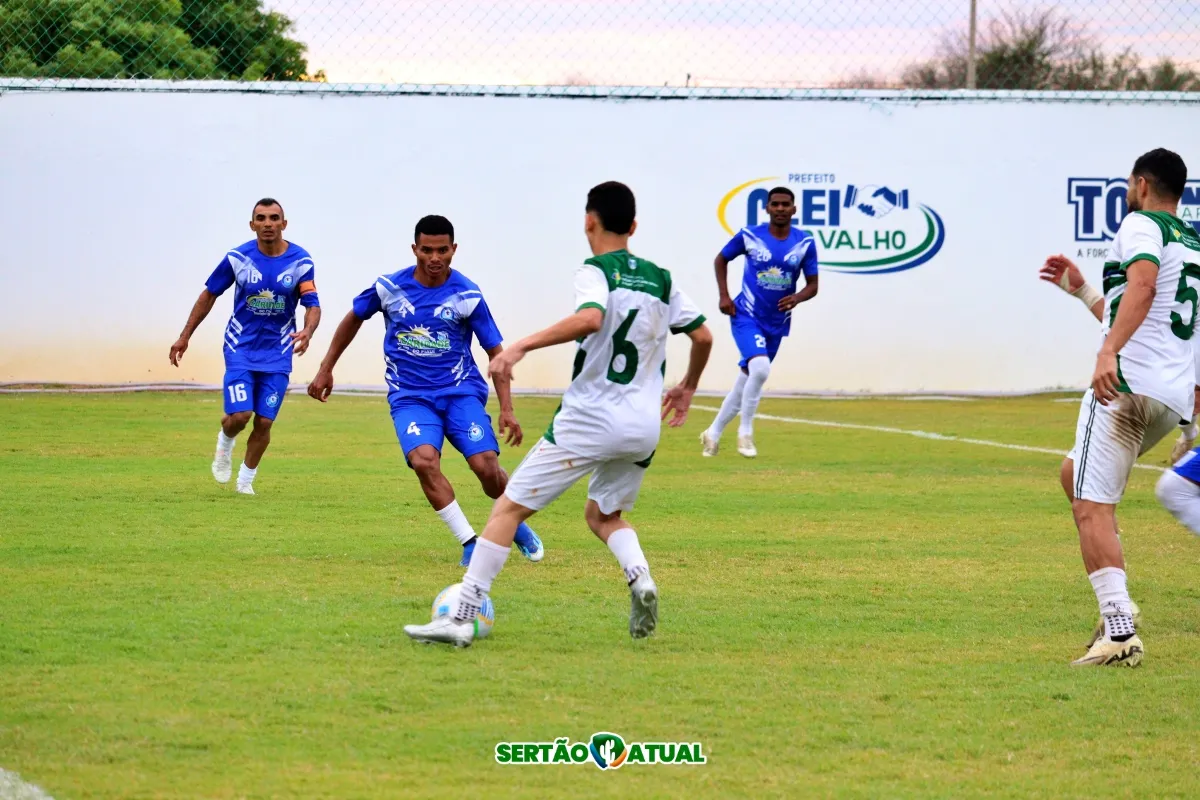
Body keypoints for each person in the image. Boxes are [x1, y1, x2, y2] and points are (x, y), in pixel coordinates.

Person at [403, 181, 713, 647]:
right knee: (604, 516)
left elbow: (590, 318)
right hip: (643, 425)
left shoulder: (595, 270)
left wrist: (521, 347)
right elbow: (703, 336)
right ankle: (640, 577)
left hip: (590, 418)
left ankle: (460, 617)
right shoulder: (662, 279)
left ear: (589, 222)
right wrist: (687, 386)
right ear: (632, 226)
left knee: (507, 509)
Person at [307, 215, 543, 567]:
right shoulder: (389, 288)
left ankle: (515, 524)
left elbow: (496, 353)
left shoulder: (467, 294)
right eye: (427, 250)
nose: (435, 258)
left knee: (486, 468)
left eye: (442, 250)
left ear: (454, 250)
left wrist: (507, 409)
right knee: (423, 461)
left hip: (460, 393)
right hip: (410, 397)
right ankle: (469, 543)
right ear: (415, 249)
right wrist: (326, 367)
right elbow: (353, 317)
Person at [1039, 148, 1194, 667]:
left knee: (1091, 505)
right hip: (1167, 397)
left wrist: (1108, 352)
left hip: (1124, 387)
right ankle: (1118, 602)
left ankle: (1120, 628)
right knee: (1073, 474)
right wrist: (1084, 291)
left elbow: (1142, 287)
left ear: (1142, 184)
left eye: (1130, 183)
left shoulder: (1139, 224)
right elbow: (1159, 317)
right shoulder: (1191, 240)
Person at [169, 198, 320, 495]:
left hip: (278, 352)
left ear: (284, 223)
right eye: (261, 218)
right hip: (240, 347)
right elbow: (209, 295)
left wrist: (308, 331)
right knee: (241, 416)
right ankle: (225, 442)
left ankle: (245, 482)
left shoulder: (301, 261)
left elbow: (312, 303)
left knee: (264, 421)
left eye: (274, 218)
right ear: (252, 225)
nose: (268, 224)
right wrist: (185, 336)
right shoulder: (238, 258)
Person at [700, 187, 818, 458]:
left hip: (777, 322)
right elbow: (721, 259)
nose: (780, 209)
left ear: (794, 209)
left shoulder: (804, 242)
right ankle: (745, 433)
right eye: (775, 204)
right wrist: (724, 295)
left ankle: (713, 433)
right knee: (761, 369)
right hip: (746, 315)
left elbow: (813, 285)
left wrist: (797, 298)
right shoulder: (750, 235)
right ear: (767, 208)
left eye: (785, 204)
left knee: (747, 380)